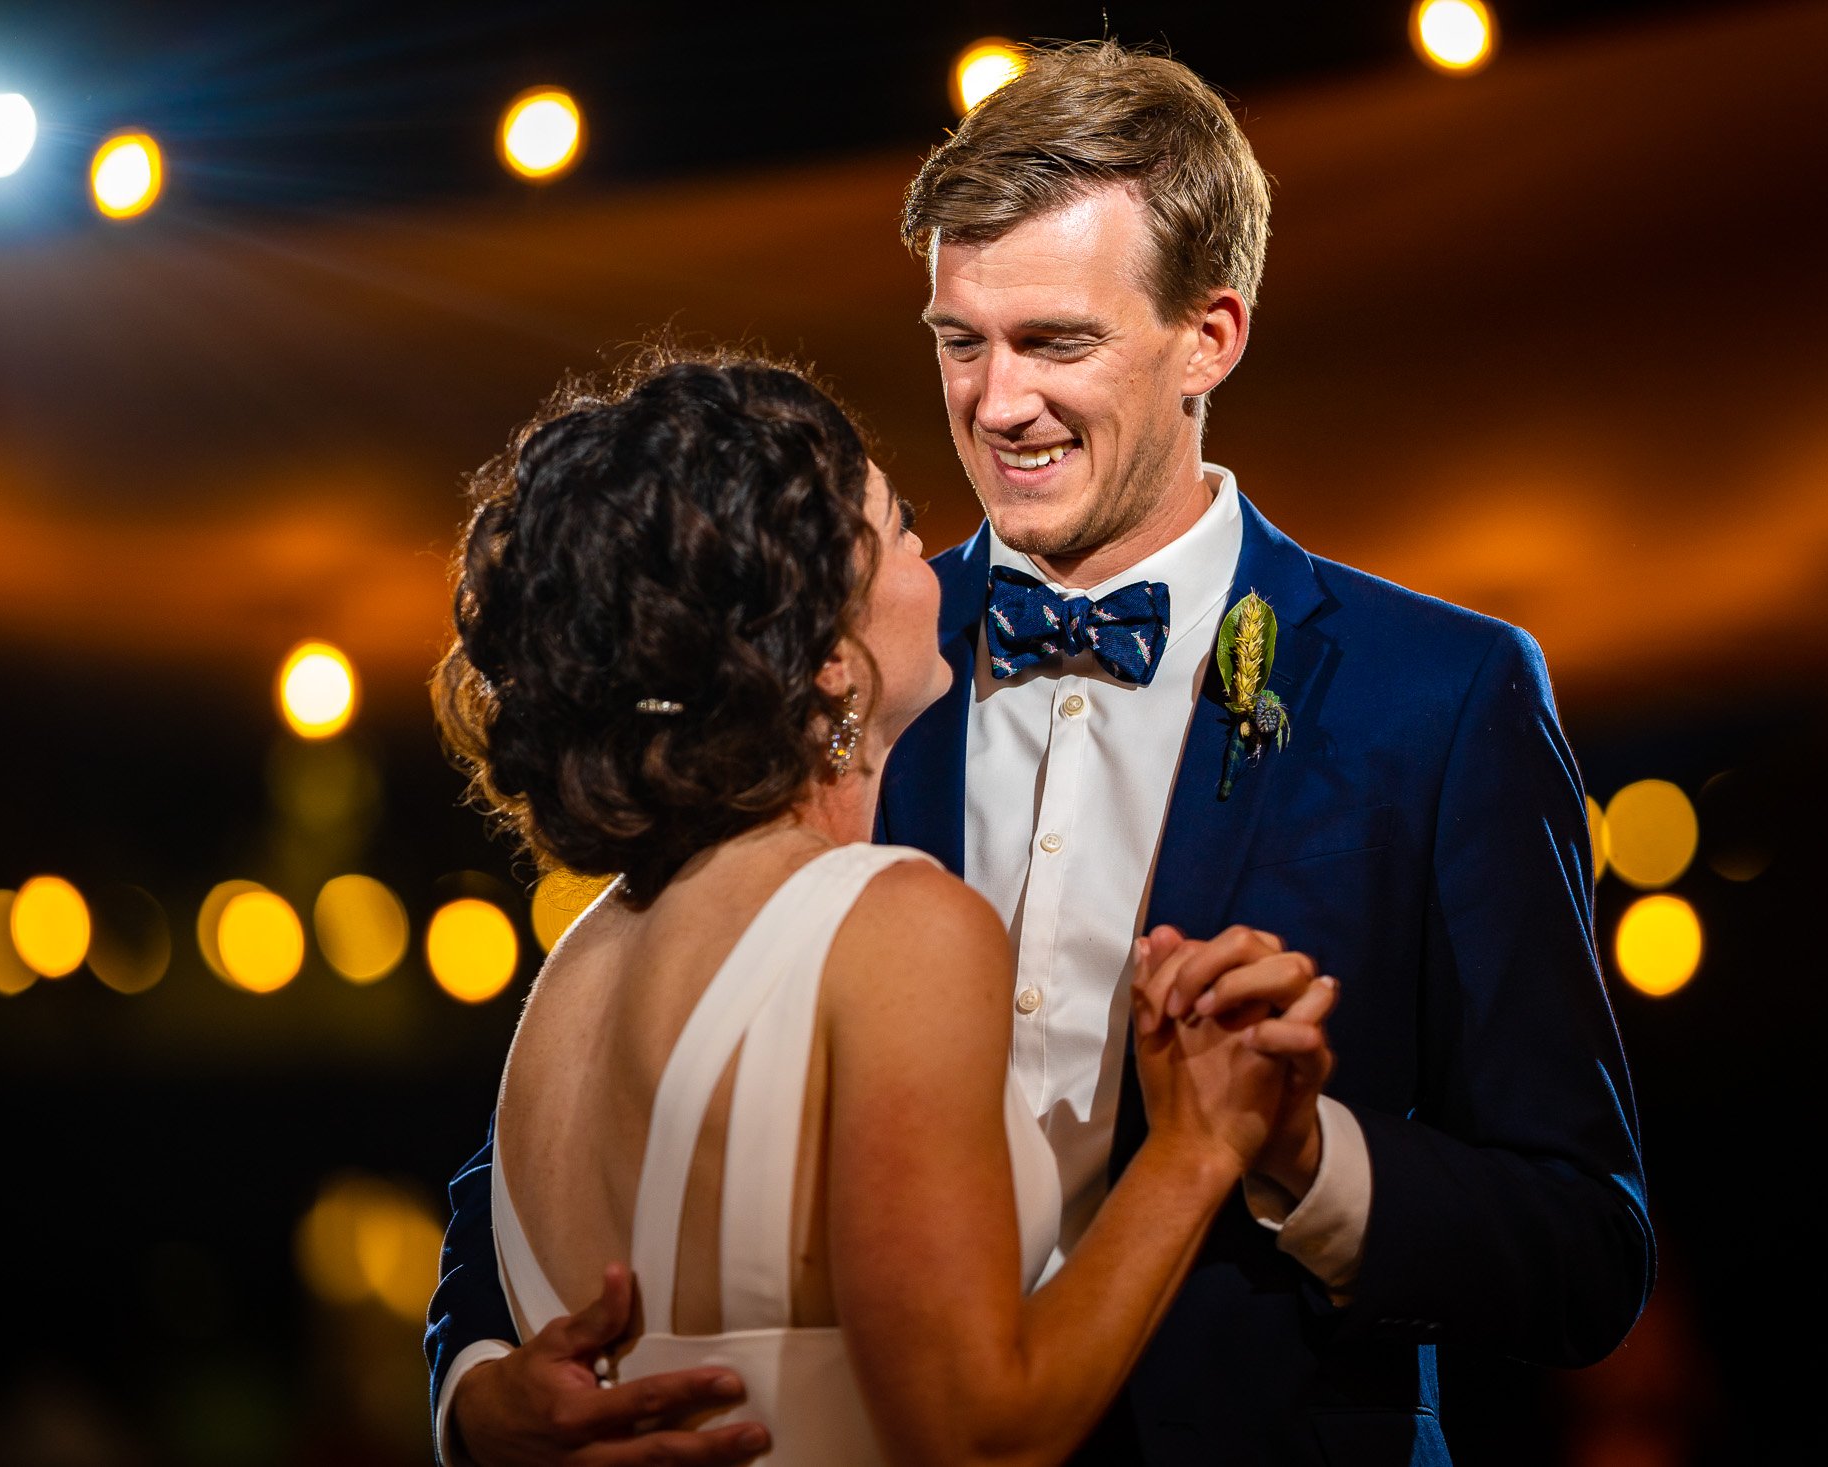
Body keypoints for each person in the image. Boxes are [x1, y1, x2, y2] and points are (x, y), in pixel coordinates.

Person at [429, 40, 1653, 1467]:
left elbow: (1585, 1245)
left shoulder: (1435, 696)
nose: (996, 401)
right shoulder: (839, 654)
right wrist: (473, 1392)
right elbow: (583, 1121)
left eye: (1054, 342)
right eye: (961, 339)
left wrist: (1305, 1157)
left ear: (1211, 333)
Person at [430, 352, 1336, 1467]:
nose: (933, 551)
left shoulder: (575, 965)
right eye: (896, 523)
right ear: (827, 662)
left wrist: (468, 1402)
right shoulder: (894, 924)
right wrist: (1199, 1144)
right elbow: (976, 1437)